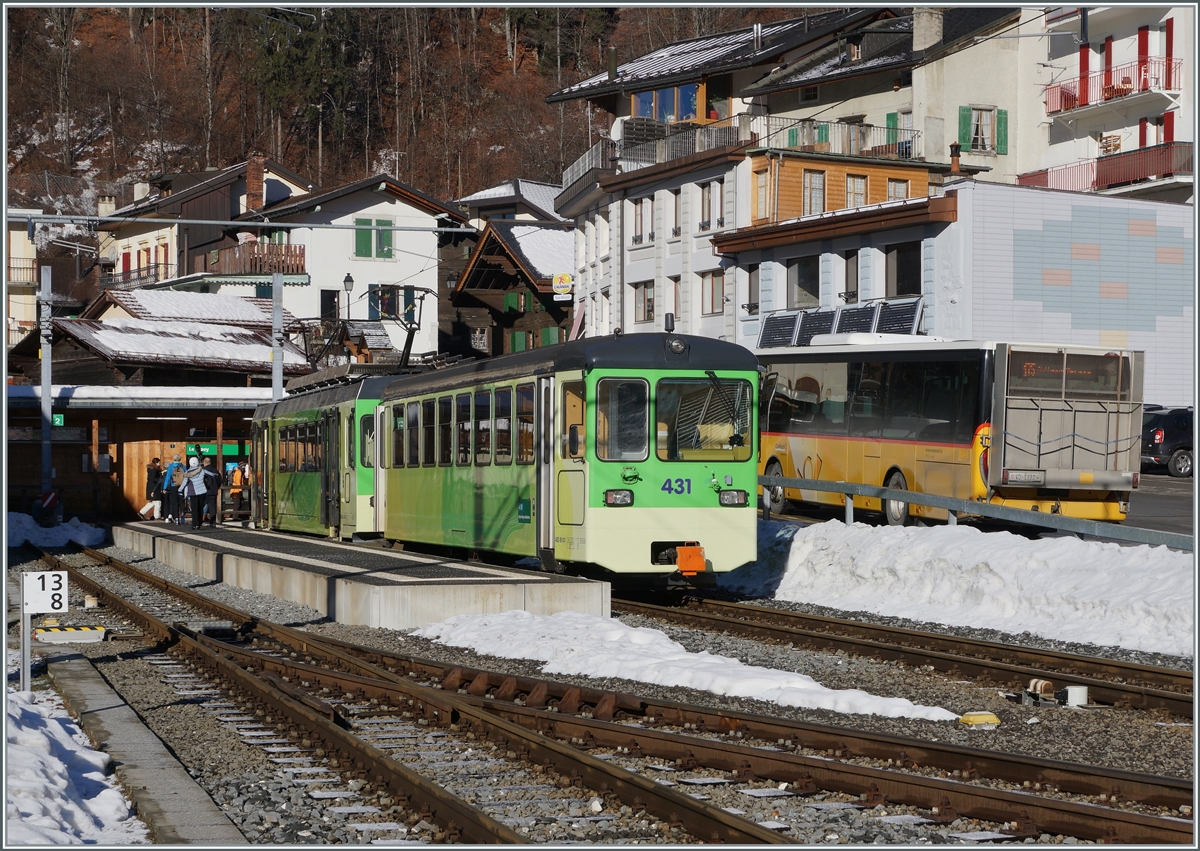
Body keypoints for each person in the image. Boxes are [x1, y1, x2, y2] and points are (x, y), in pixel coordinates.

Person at [179, 456, 208, 530]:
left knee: (194, 509)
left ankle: (195, 524)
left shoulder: (188, 472)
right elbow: (211, 474)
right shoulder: (202, 470)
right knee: (200, 507)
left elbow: (184, 483)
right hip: (202, 491)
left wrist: (179, 490)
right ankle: (199, 523)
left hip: (193, 492)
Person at [161, 454, 184, 523]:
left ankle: (176, 518)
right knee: (181, 502)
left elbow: (167, 478)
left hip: (173, 485)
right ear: (180, 459)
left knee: (175, 502)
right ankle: (182, 516)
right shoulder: (183, 466)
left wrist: (164, 488)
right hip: (181, 486)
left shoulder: (171, 467)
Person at [201, 456, 222, 529]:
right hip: (213, 491)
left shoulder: (203, 470)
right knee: (212, 507)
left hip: (205, 491)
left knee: (201, 505)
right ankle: (212, 522)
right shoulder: (216, 471)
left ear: (204, 463)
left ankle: (199, 520)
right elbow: (220, 481)